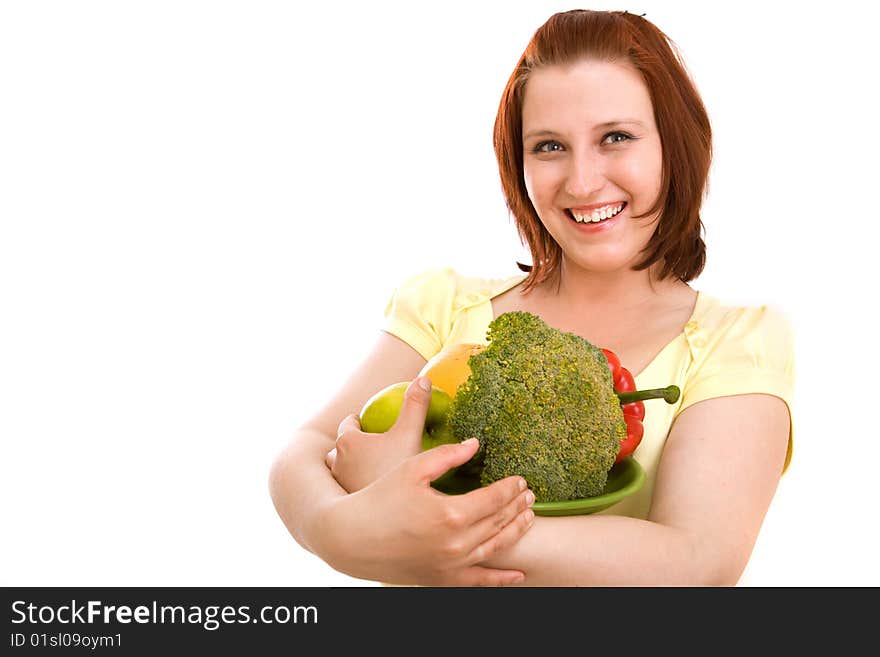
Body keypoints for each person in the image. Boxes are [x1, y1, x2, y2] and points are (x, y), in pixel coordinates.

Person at [269, 9, 794, 586]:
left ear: (677, 144)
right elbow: (305, 451)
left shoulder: (736, 341)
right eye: (549, 146)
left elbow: (697, 562)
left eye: (615, 137)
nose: (583, 182)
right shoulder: (445, 307)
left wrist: (422, 524)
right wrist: (340, 531)